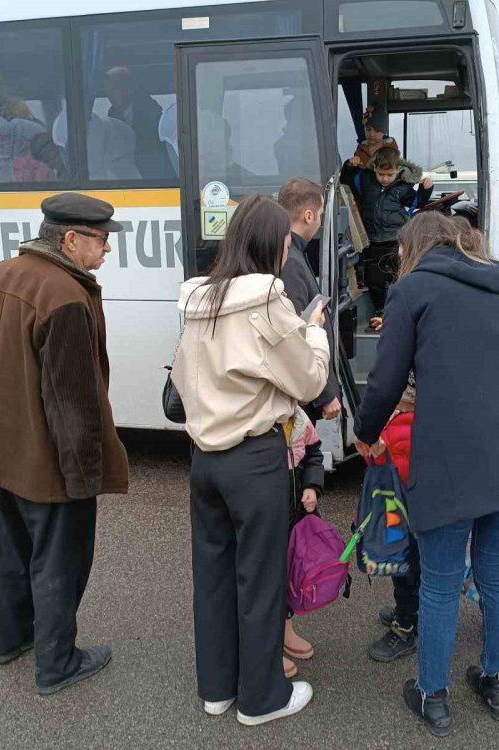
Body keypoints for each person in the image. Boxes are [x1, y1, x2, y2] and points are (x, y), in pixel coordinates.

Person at [354, 212, 499, 737]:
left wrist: (364, 430)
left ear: (412, 247)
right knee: (496, 572)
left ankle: (431, 694)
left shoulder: (411, 291)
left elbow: (385, 378)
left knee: (439, 582)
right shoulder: (494, 288)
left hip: (451, 456)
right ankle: (496, 681)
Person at [0, 192, 129, 695]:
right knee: (59, 559)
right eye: (101, 240)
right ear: (70, 240)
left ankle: (8, 641)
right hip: (47, 461)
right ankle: (57, 664)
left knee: (9, 550)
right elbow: (75, 403)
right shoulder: (65, 296)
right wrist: (84, 478)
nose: (106, 250)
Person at [170, 195, 330, 726]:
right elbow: (307, 378)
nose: (289, 249)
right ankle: (262, 700)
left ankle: (216, 689)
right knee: (258, 580)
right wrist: (317, 333)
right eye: (286, 241)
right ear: (271, 244)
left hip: (204, 460)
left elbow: (180, 380)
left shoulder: (197, 299)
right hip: (255, 458)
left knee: (212, 577)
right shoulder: (267, 301)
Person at [341, 146, 433, 319]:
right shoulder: (366, 180)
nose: (385, 179)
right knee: (373, 279)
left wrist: (426, 189)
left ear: (398, 170)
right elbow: (346, 180)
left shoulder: (404, 187)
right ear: (374, 167)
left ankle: (400, 310)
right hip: (373, 240)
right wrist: (349, 166)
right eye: (381, 174)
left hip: (396, 240)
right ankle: (380, 310)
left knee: (398, 276)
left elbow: (418, 201)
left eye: (389, 175)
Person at [277, 178, 342, 421]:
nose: (321, 220)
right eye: (321, 214)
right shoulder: (291, 262)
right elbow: (297, 333)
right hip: (304, 393)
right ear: (308, 215)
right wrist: (325, 395)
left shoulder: (292, 253)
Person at [367, 374, 421, 664]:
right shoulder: (415, 419)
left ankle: (406, 625)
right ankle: (412, 611)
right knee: (416, 569)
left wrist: (373, 451)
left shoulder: (403, 425)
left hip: (401, 514)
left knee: (405, 572)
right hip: (416, 511)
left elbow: (387, 467)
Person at [282, 406, 324, 679]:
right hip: (266, 518)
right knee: (266, 579)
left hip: (294, 517)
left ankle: (285, 630)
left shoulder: (299, 419)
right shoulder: (257, 420)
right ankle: (265, 644)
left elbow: (314, 454)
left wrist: (312, 486)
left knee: (292, 576)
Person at [104, 66, 165, 179]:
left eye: (114, 89)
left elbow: (154, 151)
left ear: (128, 88)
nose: (110, 96)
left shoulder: (151, 112)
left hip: (152, 177)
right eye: (107, 92)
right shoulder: (111, 116)